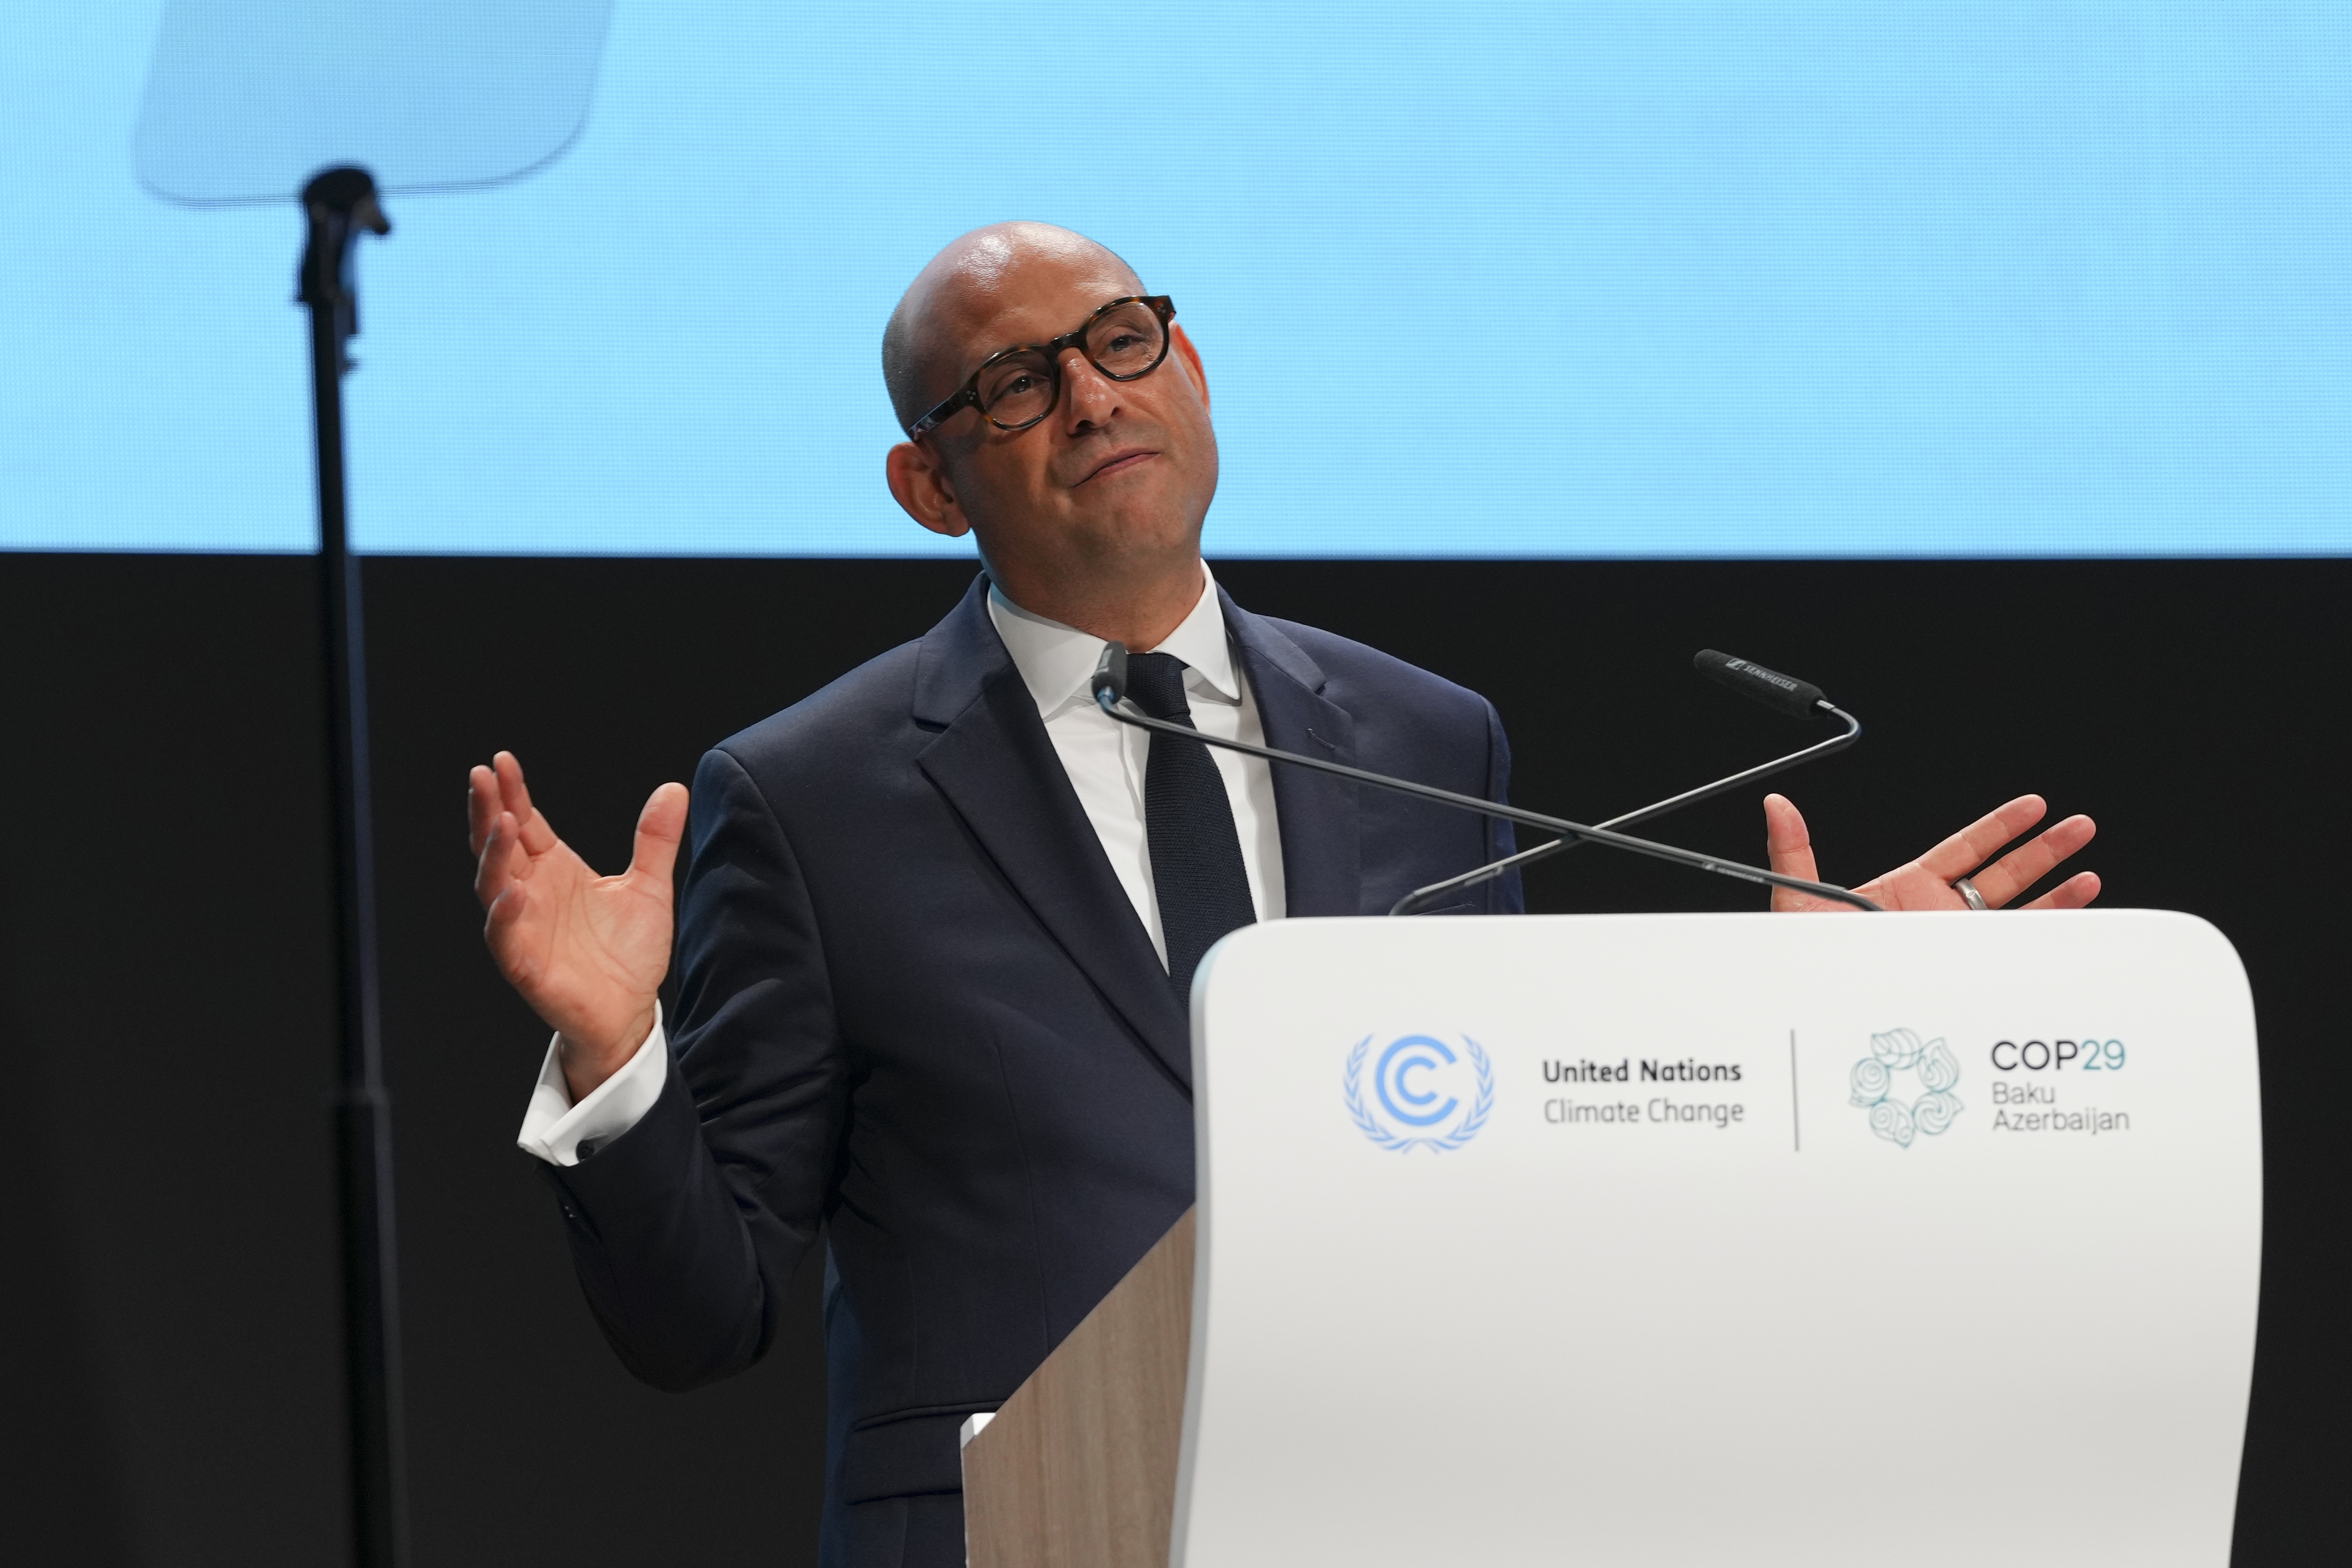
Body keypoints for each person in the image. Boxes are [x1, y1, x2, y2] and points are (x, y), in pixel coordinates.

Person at [467, 222, 2097, 1567]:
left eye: (1123, 341)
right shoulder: (809, 795)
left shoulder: (1421, 734)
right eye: (1019, 383)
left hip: (1391, 1511)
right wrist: (620, 1060)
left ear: (1191, 370)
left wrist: (1777, 1043)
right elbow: (708, 1314)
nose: (1095, 397)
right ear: (930, 484)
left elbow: (1517, 1185)